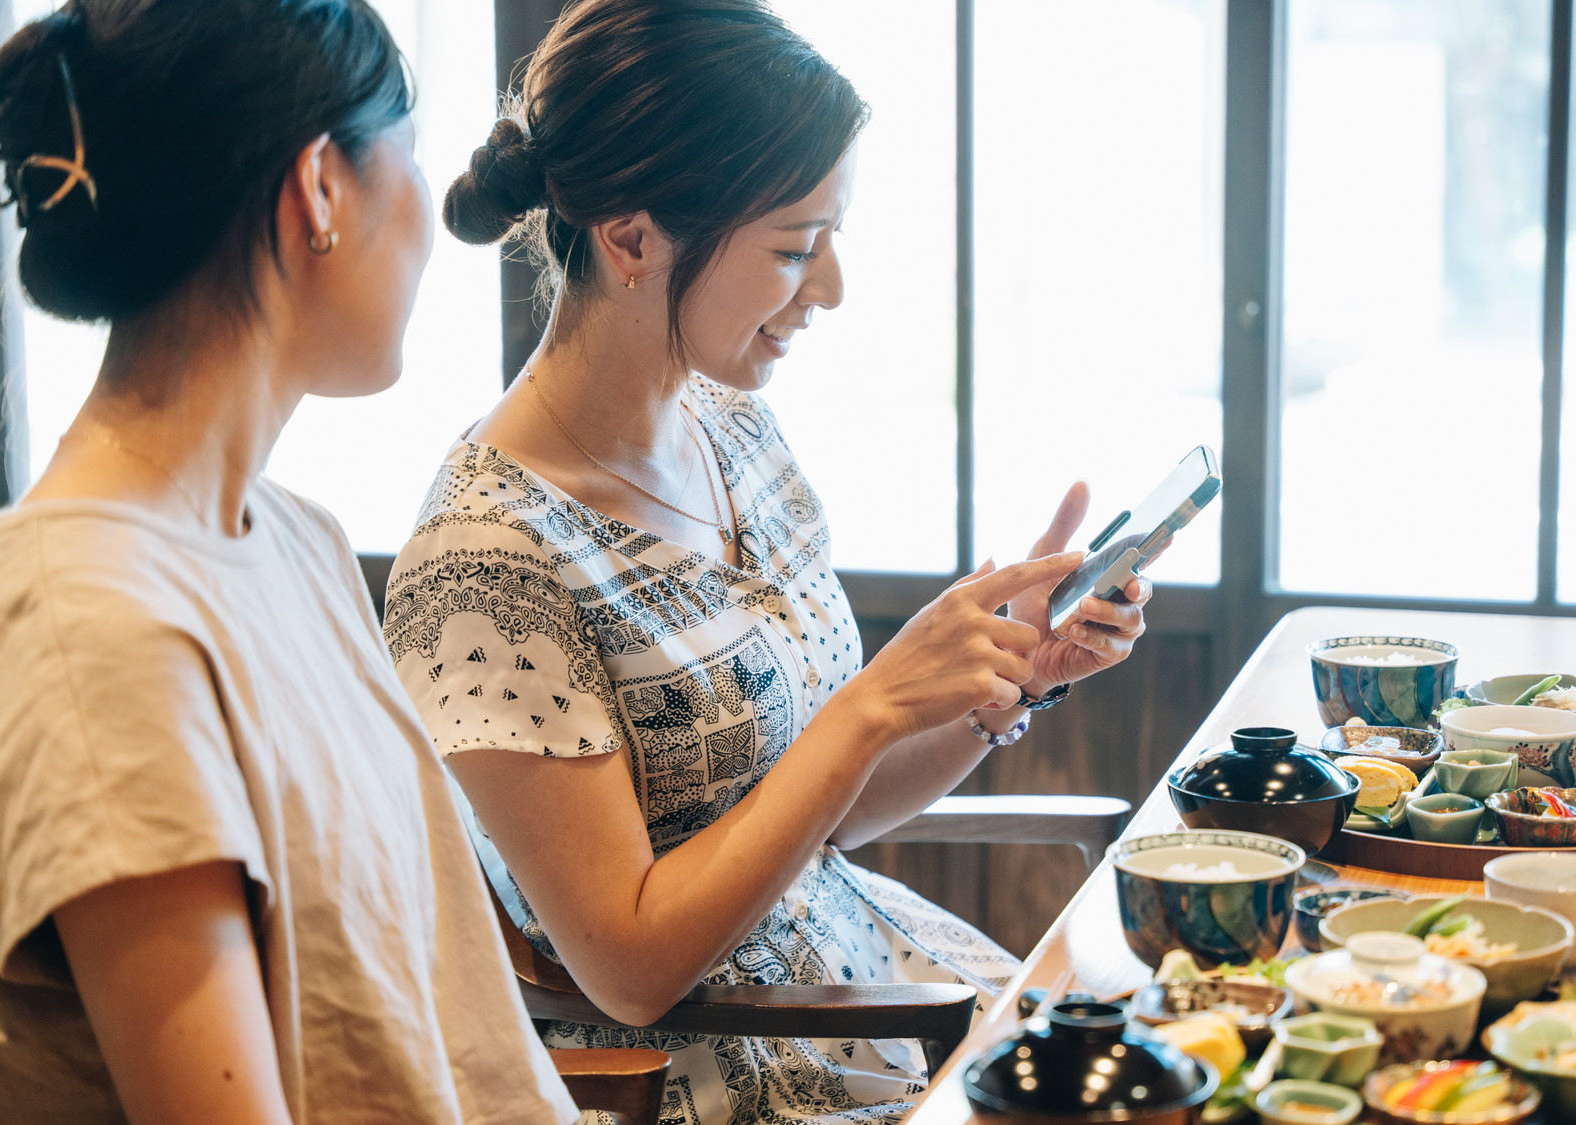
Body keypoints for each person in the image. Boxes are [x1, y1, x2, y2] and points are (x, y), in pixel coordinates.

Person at [381, 1, 1154, 1121]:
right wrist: (872, 704)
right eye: (794, 248)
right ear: (632, 237)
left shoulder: (731, 431)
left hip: (873, 993)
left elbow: (825, 812)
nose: (828, 289)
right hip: (737, 1070)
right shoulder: (487, 563)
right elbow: (631, 970)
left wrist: (1005, 678)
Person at [0, 2, 577, 1121]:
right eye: (407, 155)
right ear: (319, 188)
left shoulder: (295, 541)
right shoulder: (88, 623)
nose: (427, 208)